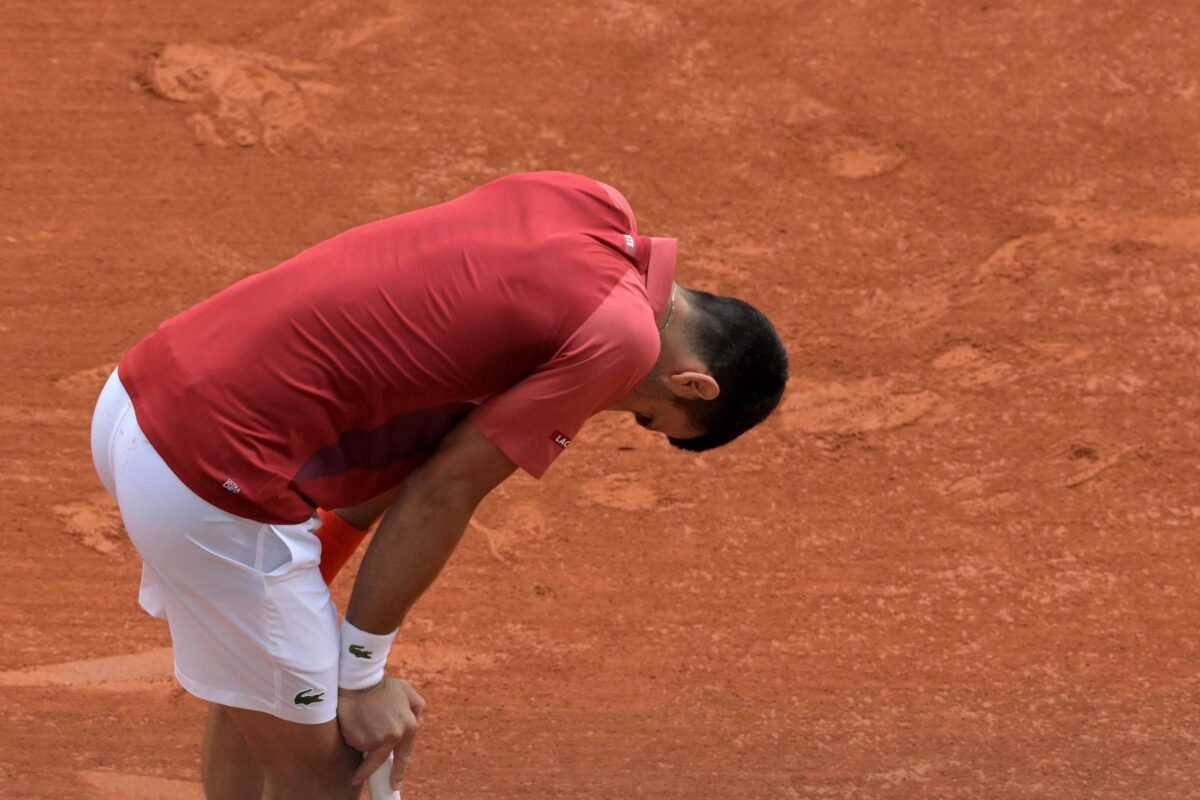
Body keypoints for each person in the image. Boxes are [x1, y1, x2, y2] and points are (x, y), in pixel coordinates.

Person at [89, 171, 788, 799]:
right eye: (645, 413)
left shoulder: (590, 206)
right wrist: (361, 676)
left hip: (137, 400)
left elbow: (422, 444)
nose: (616, 410)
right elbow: (446, 489)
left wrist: (330, 633)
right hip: (210, 477)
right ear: (694, 383)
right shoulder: (621, 339)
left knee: (262, 692)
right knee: (327, 770)